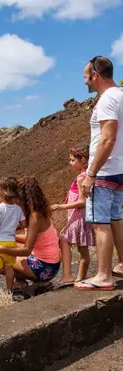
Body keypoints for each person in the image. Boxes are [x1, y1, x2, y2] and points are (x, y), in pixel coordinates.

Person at [75, 56, 123, 291]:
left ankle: (104, 276)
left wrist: (91, 173)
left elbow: (108, 138)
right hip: (120, 171)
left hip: (104, 171)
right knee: (115, 218)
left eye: (86, 77)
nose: (85, 83)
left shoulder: (106, 100)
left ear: (95, 75)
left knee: (100, 223)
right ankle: (122, 264)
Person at [0, 177, 61, 285]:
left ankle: (21, 284)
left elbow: (27, 250)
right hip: (50, 263)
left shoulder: (35, 217)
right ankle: (22, 283)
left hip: (45, 268)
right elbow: (32, 240)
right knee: (9, 244)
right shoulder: (40, 210)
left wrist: (1, 249)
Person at [51, 145, 95, 289]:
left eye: (72, 160)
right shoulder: (87, 175)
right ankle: (79, 279)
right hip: (80, 217)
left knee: (65, 240)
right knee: (83, 250)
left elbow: (82, 202)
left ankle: (70, 277)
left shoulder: (81, 178)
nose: (70, 163)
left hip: (79, 217)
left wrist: (60, 206)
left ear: (82, 160)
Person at [0, 177, 26, 293]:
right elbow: (23, 224)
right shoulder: (17, 209)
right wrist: (12, 227)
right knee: (9, 268)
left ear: (1, 192)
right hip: (11, 243)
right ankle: (9, 290)